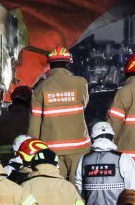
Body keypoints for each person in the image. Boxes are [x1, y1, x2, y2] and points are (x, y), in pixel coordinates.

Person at [28, 46, 91, 180]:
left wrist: (33, 150)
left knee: (56, 185)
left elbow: (35, 123)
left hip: (51, 149)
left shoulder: (40, 88)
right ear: (68, 64)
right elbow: (83, 105)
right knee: (78, 187)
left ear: (50, 65)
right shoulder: (80, 83)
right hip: (78, 147)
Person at [0, 84, 33, 160]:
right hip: (26, 166)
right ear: (30, 102)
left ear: (12, 100)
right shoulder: (33, 120)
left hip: (1, 167)